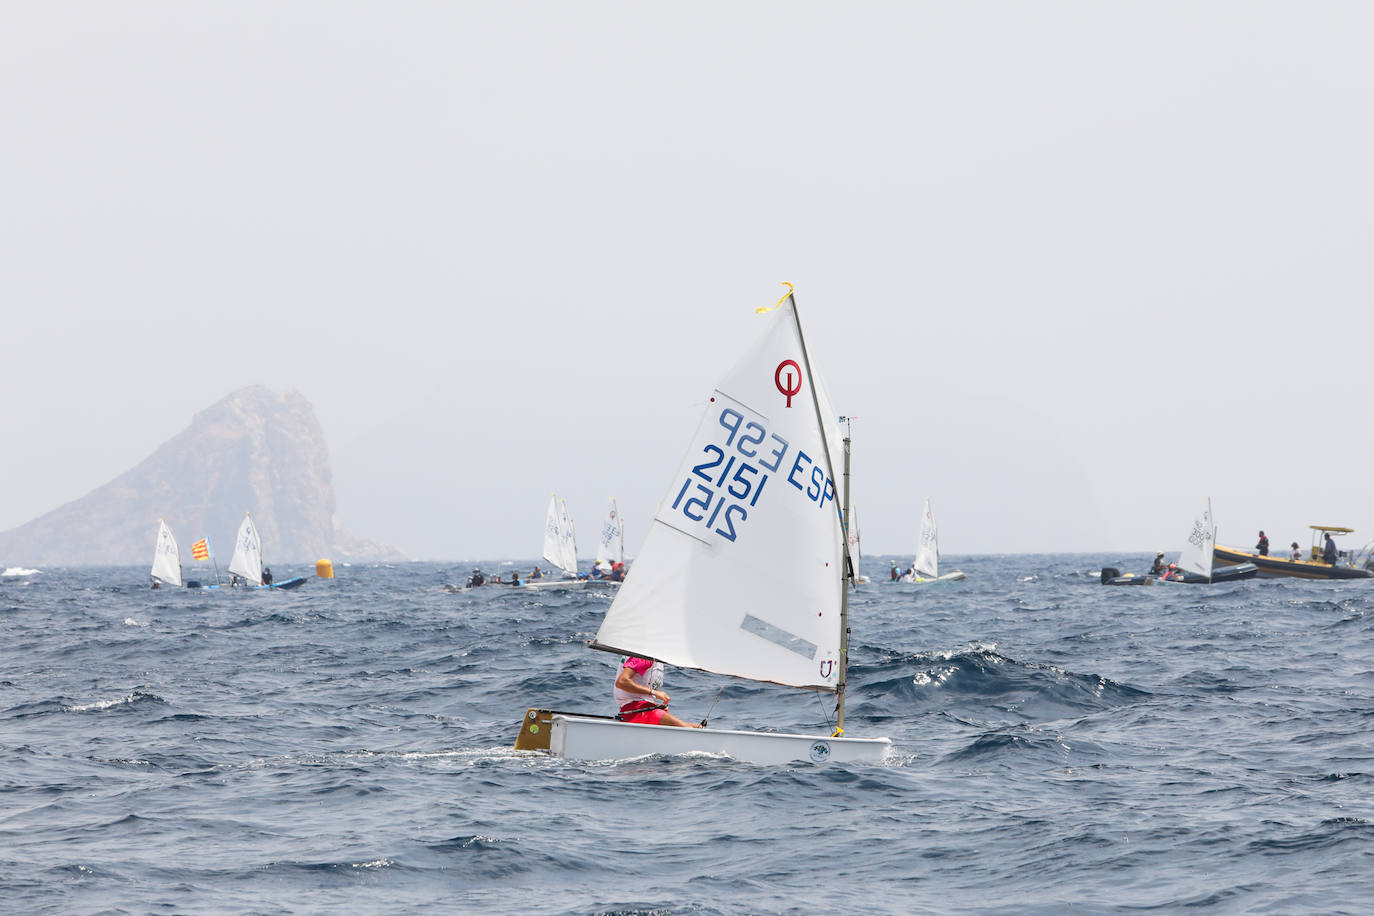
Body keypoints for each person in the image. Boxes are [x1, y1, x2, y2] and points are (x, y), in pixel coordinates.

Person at [614, 656, 704, 728]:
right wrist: (654, 692)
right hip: (634, 710)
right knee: (688, 728)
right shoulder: (644, 657)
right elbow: (622, 682)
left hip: (645, 708)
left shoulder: (657, 661)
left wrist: (657, 705)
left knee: (697, 727)